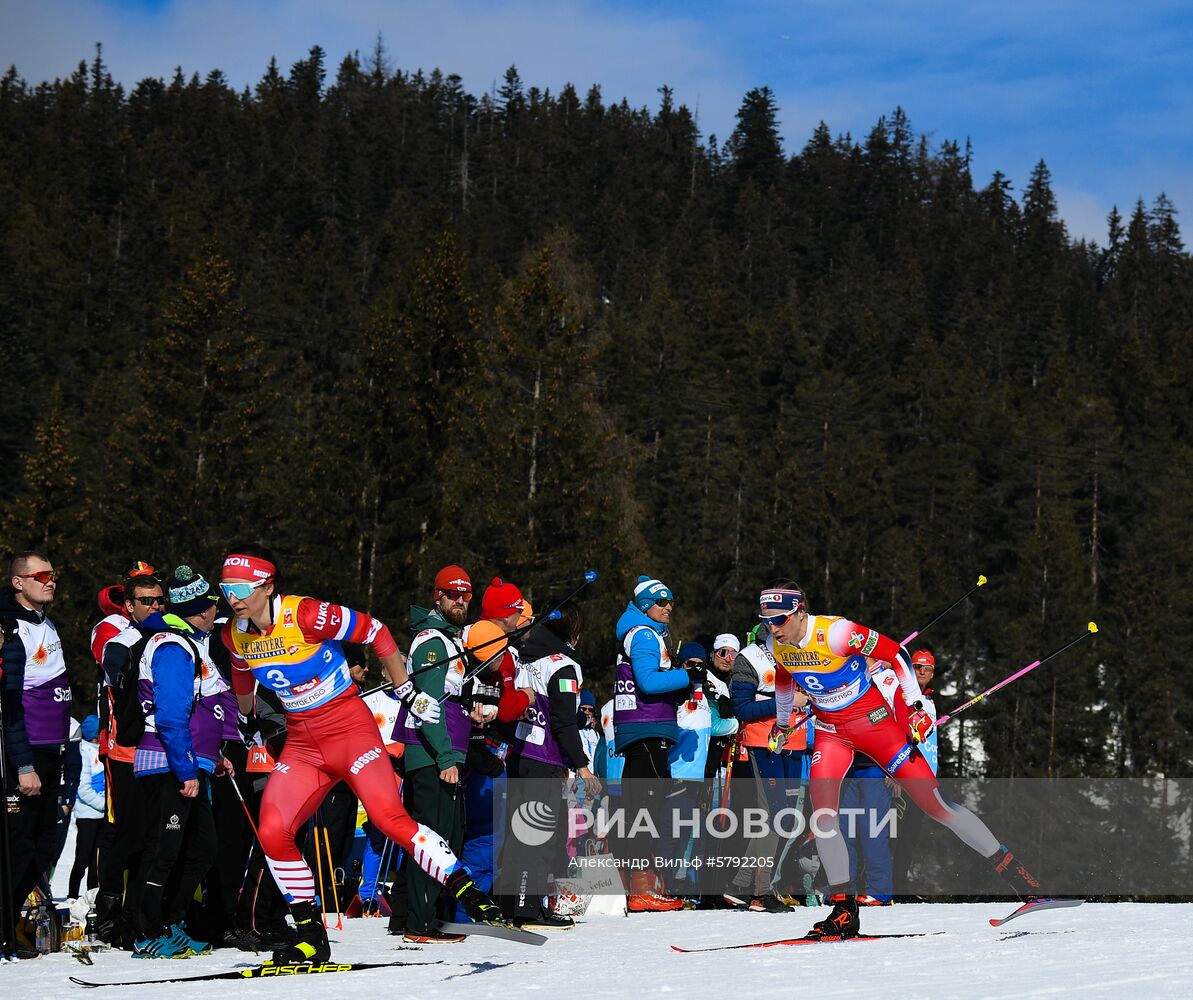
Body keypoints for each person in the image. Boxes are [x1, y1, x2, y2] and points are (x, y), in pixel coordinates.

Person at [220, 546, 505, 965]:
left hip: (350, 731)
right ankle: (310, 935)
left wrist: (405, 688)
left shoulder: (306, 614)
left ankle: (465, 888)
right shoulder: (234, 632)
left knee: (390, 818)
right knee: (272, 830)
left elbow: (377, 632)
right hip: (303, 745)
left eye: (241, 587)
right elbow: (241, 670)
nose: (233, 596)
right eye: (226, 588)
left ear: (267, 584)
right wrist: (246, 718)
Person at [760, 582, 1043, 938]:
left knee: (935, 805)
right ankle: (844, 909)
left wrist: (913, 707)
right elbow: (785, 679)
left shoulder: (837, 632)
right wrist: (783, 724)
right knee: (824, 815)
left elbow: (896, 653)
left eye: (779, 619)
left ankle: (1020, 879)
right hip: (831, 732)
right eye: (766, 620)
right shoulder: (776, 643)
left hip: (874, 724)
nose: (773, 627)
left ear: (800, 610)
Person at [130, 566, 234, 958]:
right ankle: (146, 931)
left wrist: (215, 756)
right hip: (167, 764)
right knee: (164, 851)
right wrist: (187, 769)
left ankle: (170, 922)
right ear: (201, 609)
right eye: (211, 605)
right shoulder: (172, 645)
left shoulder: (191, 641)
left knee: (201, 849)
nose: (215, 611)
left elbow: (202, 711)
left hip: (190, 763)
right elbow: (171, 714)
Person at [391, 566, 477, 944]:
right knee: (434, 839)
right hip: (430, 754)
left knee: (449, 837)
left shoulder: (451, 639)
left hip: (449, 750)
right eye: (452, 593)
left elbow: (450, 698)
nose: (459, 600)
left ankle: (426, 917)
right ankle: (420, 923)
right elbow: (426, 704)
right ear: (437, 596)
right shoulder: (432, 640)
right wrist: (444, 758)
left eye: (465, 595)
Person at [502, 599, 599, 929]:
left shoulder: (525, 658)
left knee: (520, 835)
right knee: (537, 836)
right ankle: (528, 909)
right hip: (542, 757)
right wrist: (582, 765)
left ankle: (515, 904)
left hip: (520, 753)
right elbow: (564, 722)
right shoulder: (562, 665)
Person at [1, 551, 72, 950]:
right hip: (25, 754)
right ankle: (4, 924)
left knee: (46, 843)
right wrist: (23, 763)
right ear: (18, 582)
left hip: (53, 749)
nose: (50, 581)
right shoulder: (10, 627)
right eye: (41, 575)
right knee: (19, 844)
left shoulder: (45, 622)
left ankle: (9, 921)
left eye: (52, 574)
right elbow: (10, 705)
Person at [93, 567, 167, 947]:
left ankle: (136, 915)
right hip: (123, 752)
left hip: (160, 752)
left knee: (155, 837)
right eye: (145, 601)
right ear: (128, 606)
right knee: (125, 834)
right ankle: (106, 916)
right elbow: (115, 671)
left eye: (159, 600)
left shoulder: (168, 636)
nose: (155, 607)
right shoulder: (117, 636)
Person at [612, 575, 693, 912]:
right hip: (646, 728)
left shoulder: (642, 632)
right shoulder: (644, 634)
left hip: (642, 728)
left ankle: (632, 885)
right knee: (644, 810)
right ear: (646, 605)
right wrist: (688, 676)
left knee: (637, 809)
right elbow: (647, 681)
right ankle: (641, 888)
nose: (669, 607)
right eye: (662, 602)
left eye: (670, 600)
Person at [892, 648, 940, 894]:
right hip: (905, 775)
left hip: (925, 778)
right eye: (917, 666)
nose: (922, 671)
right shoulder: (901, 695)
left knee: (910, 835)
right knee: (894, 834)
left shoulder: (930, 702)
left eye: (927, 668)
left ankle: (900, 885)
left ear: (932, 674)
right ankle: (886, 886)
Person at [68, 715, 105, 901]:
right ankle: (72, 895)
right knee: (83, 858)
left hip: (102, 816)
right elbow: (83, 789)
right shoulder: (84, 752)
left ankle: (92, 897)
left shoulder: (102, 750)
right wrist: (105, 805)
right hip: (88, 815)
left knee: (95, 862)